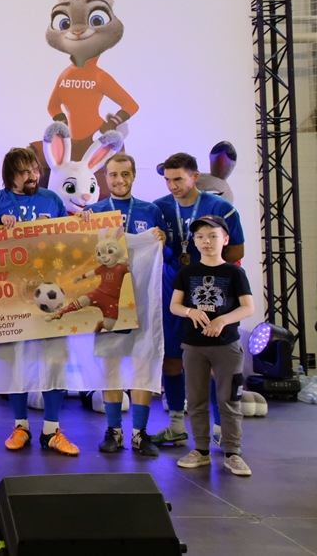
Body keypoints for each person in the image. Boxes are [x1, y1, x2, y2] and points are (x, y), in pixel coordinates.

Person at [0, 147, 77, 455]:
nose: (33, 176)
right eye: (25, 171)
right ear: (10, 175)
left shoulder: (52, 200)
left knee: (55, 360)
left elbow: (72, 243)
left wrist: (62, 226)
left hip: (50, 294)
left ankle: (52, 430)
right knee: (14, 362)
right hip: (10, 295)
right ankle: (21, 426)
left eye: (35, 170)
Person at [152, 153, 244, 448]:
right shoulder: (159, 207)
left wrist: (207, 265)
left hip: (210, 291)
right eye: (168, 180)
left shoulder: (221, 208)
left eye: (178, 179)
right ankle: (176, 425)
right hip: (173, 290)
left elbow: (237, 250)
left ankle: (219, 427)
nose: (172, 186)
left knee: (216, 361)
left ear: (195, 176)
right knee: (171, 359)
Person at [78, 153, 165, 456]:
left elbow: (162, 256)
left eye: (125, 174)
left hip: (143, 300)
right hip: (110, 304)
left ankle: (140, 433)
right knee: (110, 363)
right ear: (105, 178)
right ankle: (114, 431)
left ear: (134, 175)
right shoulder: (95, 212)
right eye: (113, 175)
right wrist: (81, 227)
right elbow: (81, 257)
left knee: (144, 362)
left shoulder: (151, 211)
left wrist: (160, 241)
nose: (119, 180)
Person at [171, 215, 254, 476]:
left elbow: (248, 307)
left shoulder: (234, 272)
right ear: (194, 241)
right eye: (200, 237)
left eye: (212, 236)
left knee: (229, 400)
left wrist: (222, 320)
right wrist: (190, 312)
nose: (206, 242)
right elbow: (175, 305)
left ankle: (233, 452)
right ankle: (201, 450)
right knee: (196, 400)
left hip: (226, 346)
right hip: (194, 346)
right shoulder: (187, 272)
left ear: (225, 239)